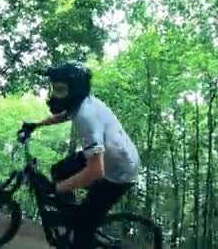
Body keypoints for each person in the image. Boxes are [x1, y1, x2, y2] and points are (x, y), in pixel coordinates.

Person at [18, 61, 140, 249]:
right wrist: (36, 124)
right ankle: (70, 215)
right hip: (108, 154)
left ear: (74, 90)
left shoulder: (86, 118)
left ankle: (82, 231)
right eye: (54, 89)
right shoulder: (80, 102)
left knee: (83, 227)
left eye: (59, 90)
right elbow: (65, 115)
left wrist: (57, 189)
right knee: (59, 170)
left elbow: (96, 172)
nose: (54, 95)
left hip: (119, 171)